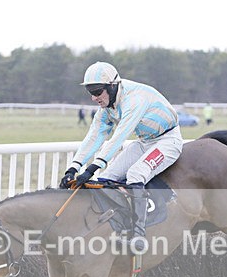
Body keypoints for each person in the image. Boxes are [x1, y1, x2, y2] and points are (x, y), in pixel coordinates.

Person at [59, 61, 183, 253]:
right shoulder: (107, 107)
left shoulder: (134, 100)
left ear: (112, 86)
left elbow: (119, 137)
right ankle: (116, 225)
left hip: (168, 141)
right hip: (144, 142)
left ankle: (139, 236)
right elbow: (94, 137)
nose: (93, 98)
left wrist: (91, 168)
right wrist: (73, 168)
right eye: (90, 92)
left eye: (97, 91)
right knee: (105, 178)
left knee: (135, 174)